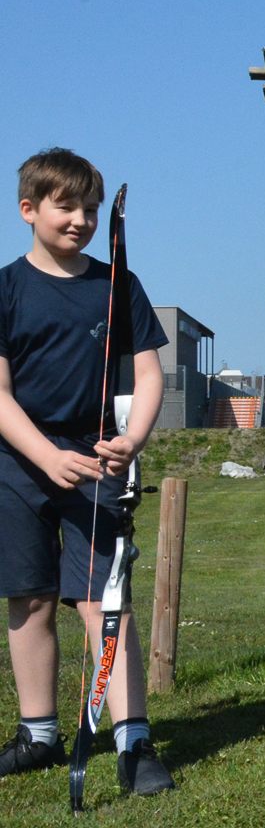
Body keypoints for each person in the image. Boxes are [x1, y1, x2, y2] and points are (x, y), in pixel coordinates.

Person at [0, 148, 174, 793]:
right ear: (29, 210)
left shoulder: (118, 284)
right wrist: (45, 456)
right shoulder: (5, 289)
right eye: (64, 206)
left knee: (106, 602)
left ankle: (135, 742)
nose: (80, 220)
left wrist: (131, 438)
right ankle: (38, 735)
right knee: (31, 596)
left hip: (98, 458)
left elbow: (150, 372)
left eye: (91, 209)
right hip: (19, 462)